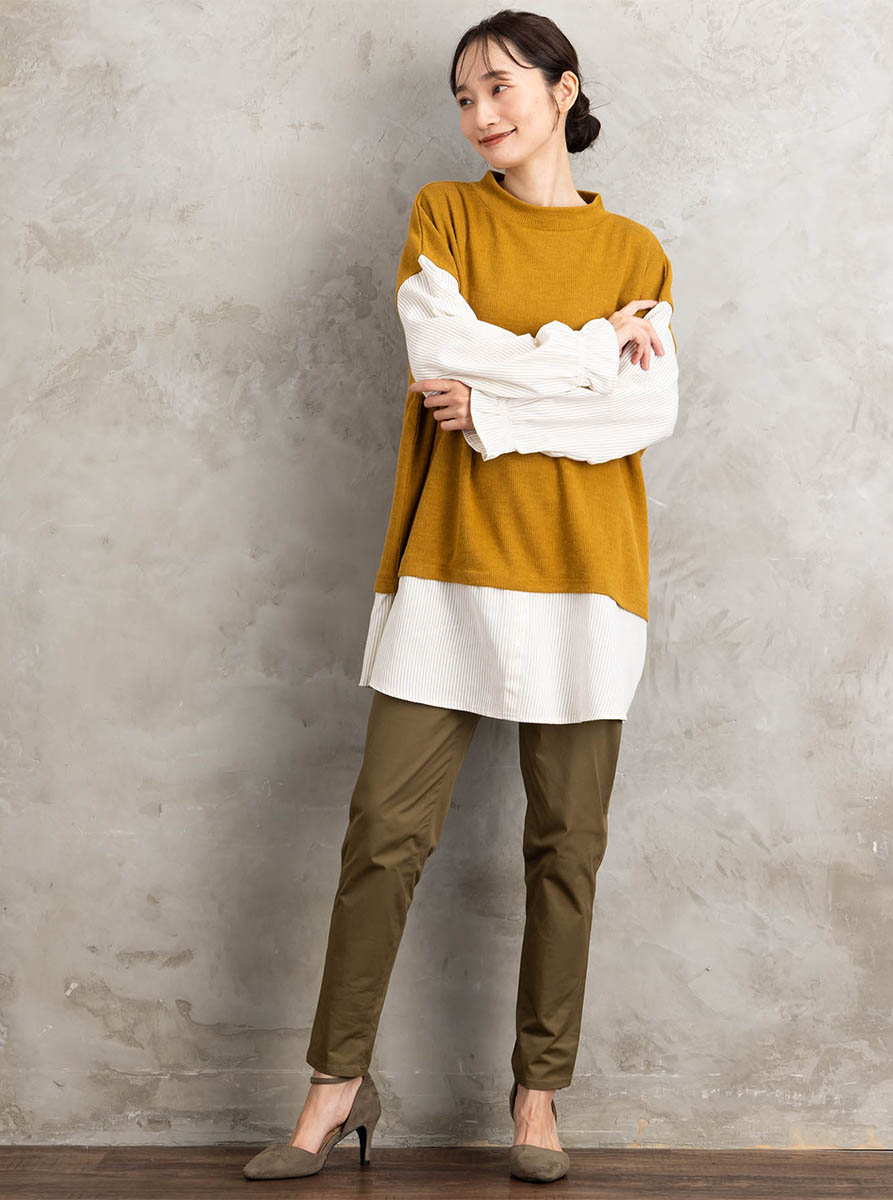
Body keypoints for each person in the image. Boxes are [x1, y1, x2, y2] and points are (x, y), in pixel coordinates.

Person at [243, 8, 678, 1185]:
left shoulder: (635, 251)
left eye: (499, 87)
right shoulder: (444, 214)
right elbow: (438, 357)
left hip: (587, 578)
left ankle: (537, 1099)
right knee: (383, 836)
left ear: (561, 90)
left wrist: (494, 411)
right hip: (447, 562)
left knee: (566, 847)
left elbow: (644, 413)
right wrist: (582, 358)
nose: (480, 113)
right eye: (463, 96)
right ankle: (337, 1084)